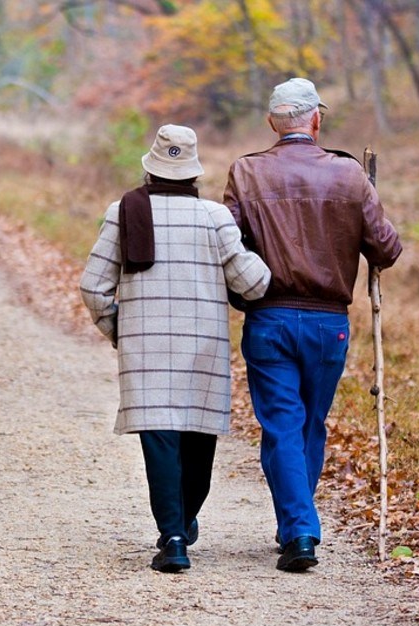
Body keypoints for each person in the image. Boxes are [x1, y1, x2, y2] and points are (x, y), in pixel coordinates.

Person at [223, 78, 403, 572]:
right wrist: (364, 200)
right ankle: (298, 525)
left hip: (269, 317)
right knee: (308, 424)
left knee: (283, 424)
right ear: (316, 120)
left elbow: (226, 243)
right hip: (329, 325)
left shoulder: (246, 171)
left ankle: (297, 527)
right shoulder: (349, 174)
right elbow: (387, 248)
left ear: (272, 123)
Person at [79, 124, 271, 573]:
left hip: (145, 351)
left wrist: (120, 330)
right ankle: (182, 523)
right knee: (198, 440)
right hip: (203, 348)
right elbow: (253, 284)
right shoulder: (215, 217)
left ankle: (174, 537)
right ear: (194, 173)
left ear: (150, 169)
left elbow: (93, 287)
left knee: (160, 440)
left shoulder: (123, 212)